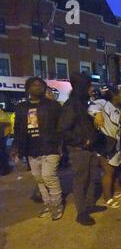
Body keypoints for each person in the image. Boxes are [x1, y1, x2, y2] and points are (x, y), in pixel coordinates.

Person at [11, 77, 64, 220]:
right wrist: (16, 146)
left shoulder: (53, 106)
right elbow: (18, 129)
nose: (38, 87)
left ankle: (57, 207)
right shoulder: (21, 108)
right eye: (34, 85)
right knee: (39, 179)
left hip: (50, 147)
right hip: (31, 150)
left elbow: (61, 126)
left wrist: (60, 144)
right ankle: (48, 205)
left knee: (49, 177)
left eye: (41, 85)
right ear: (28, 89)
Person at [58, 72, 102, 226]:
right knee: (81, 180)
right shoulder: (72, 105)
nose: (92, 89)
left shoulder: (84, 103)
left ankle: (89, 205)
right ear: (83, 87)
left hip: (89, 147)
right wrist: (82, 141)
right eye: (89, 86)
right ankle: (81, 212)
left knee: (91, 178)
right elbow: (63, 129)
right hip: (79, 149)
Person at [88, 86, 121, 209]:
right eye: (120, 94)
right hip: (104, 143)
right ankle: (107, 198)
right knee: (108, 171)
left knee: (115, 168)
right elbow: (92, 107)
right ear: (114, 96)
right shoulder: (102, 103)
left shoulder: (117, 108)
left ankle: (117, 189)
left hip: (114, 143)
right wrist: (97, 114)